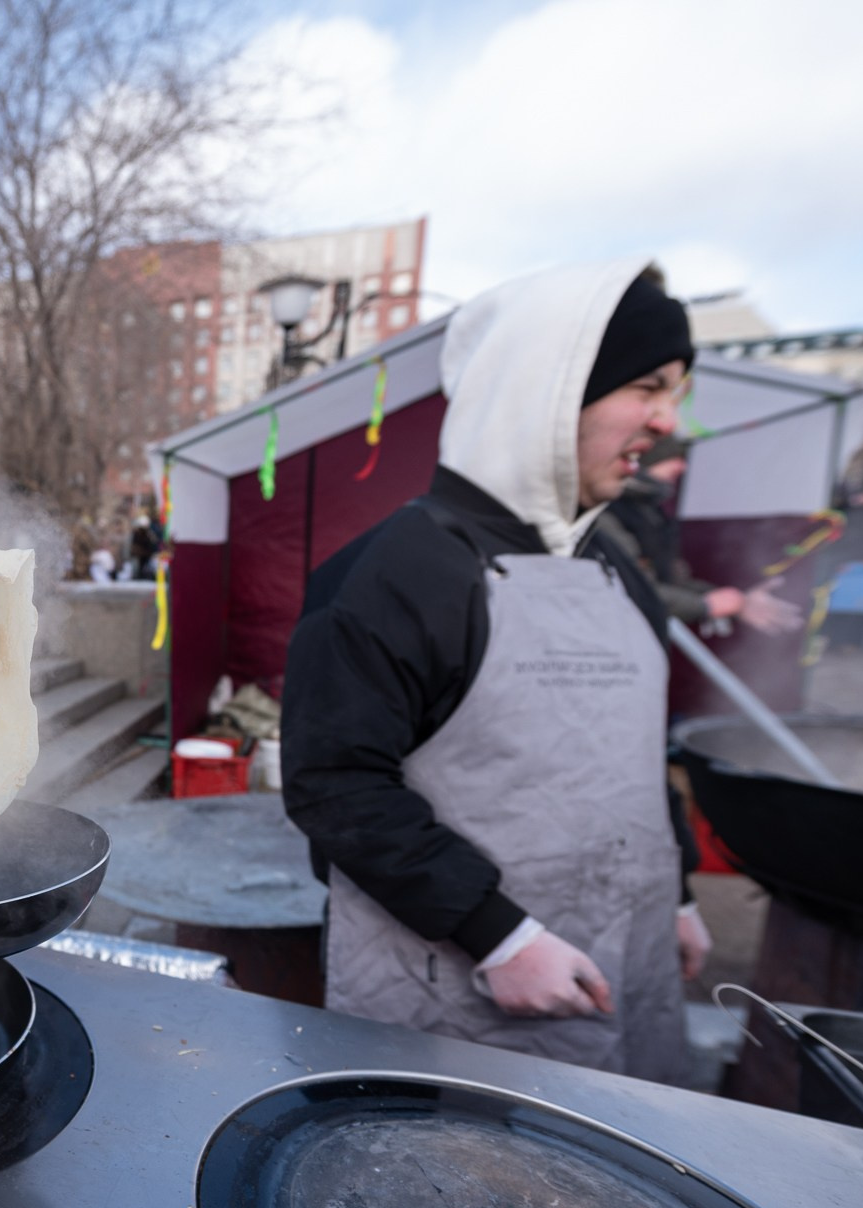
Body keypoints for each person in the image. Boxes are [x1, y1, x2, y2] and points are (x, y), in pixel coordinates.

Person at [281, 260, 712, 1084]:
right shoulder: (393, 572)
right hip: (457, 1000)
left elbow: (633, 761)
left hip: (630, 964)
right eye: (649, 385)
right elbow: (335, 784)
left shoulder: (619, 572)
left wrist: (680, 894)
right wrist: (501, 935)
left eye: (677, 392)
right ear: (550, 390)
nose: (668, 419)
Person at [599, 435, 805, 635]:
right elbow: (632, 587)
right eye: (674, 458)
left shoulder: (652, 513)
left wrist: (733, 600)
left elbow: (672, 580)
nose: (682, 467)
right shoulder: (607, 511)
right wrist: (704, 605)